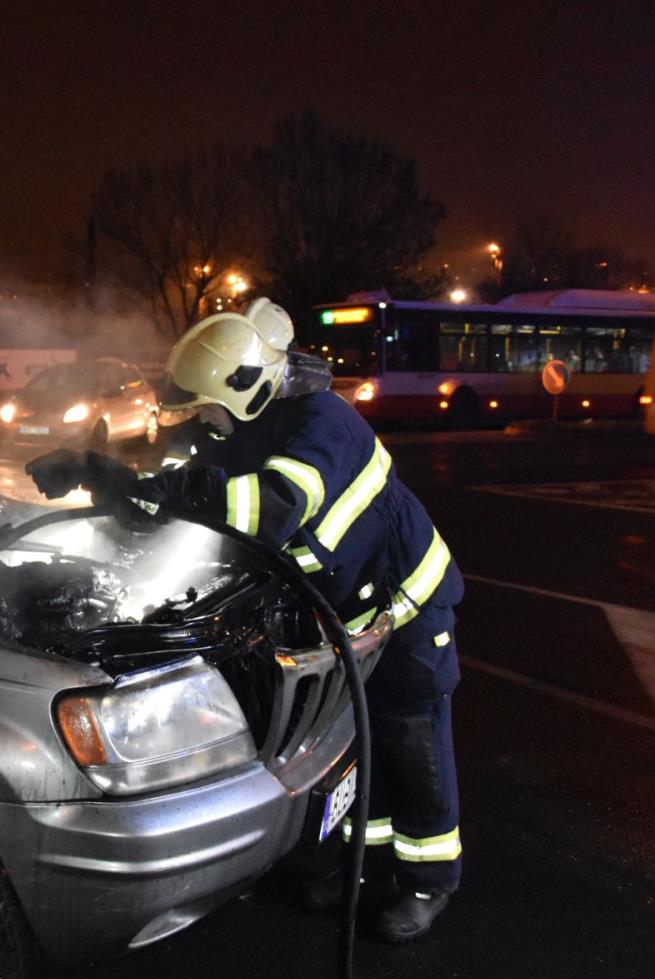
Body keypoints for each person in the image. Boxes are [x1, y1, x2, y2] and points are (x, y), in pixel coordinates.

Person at [26, 299, 463, 943]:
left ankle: (427, 880)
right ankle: (360, 868)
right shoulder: (251, 425)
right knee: (357, 750)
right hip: (347, 616)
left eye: (206, 407)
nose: (202, 420)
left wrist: (176, 493)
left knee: (410, 744)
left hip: (407, 611)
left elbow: (272, 505)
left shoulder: (323, 424)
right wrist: (105, 475)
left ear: (245, 389)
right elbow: (185, 490)